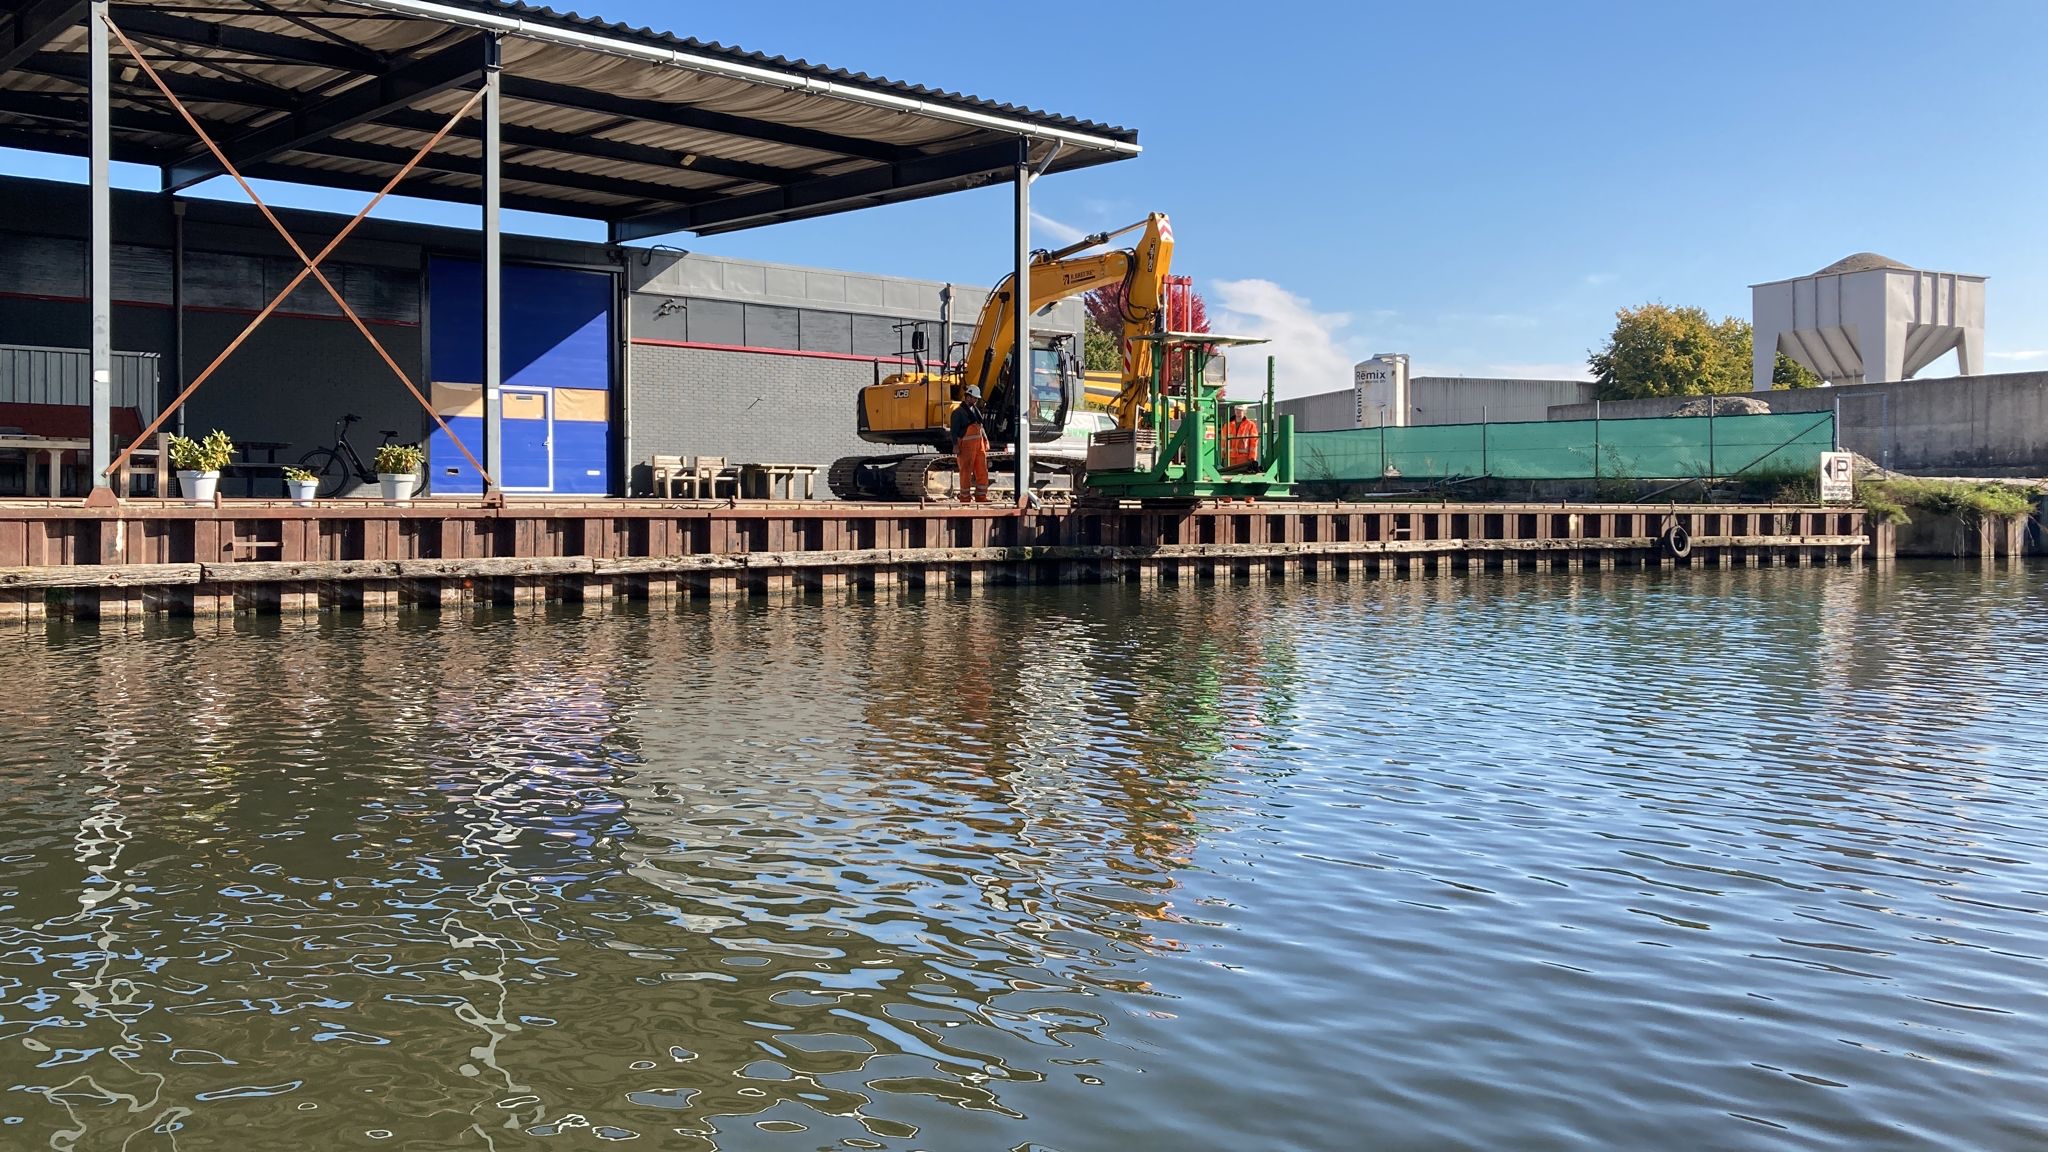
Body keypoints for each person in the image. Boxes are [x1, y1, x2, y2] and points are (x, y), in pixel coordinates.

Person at [950, 385, 991, 503]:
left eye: (976, 399)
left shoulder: (975, 411)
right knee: (966, 471)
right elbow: (954, 431)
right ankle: (965, 497)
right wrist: (955, 445)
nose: (975, 400)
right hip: (966, 446)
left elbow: (980, 426)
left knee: (982, 470)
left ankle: (981, 496)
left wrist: (985, 439)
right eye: (973, 398)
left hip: (979, 446)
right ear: (967, 397)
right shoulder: (958, 413)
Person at [1225, 405, 1260, 471]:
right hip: (1230, 459)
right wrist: (1223, 455)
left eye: (1240, 410)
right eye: (1236, 409)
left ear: (1245, 411)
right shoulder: (1227, 425)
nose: (1238, 411)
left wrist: (1252, 458)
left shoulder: (1251, 425)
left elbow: (1254, 442)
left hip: (1244, 459)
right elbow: (1223, 441)